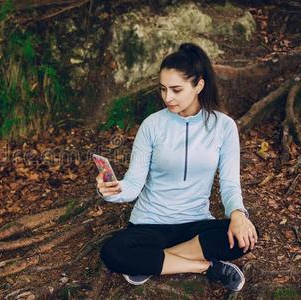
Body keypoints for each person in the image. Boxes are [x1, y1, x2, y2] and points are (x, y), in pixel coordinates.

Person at [95, 43, 258, 292]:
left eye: (176, 89)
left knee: (244, 237)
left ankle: (152, 260)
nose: (167, 98)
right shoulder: (152, 125)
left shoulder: (223, 127)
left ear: (199, 86)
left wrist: (237, 213)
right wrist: (113, 189)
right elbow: (133, 184)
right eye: (163, 89)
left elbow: (229, 183)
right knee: (112, 252)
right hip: (149, 224)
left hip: (195, 224)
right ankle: (205, 267)